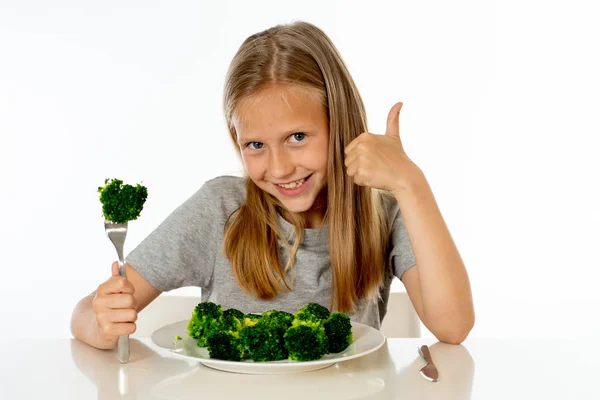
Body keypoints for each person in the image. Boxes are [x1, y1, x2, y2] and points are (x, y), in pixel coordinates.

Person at [71, 21, 474, 350]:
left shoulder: (385, 210)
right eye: (256, 145)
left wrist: (410, 183)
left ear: (340, 125)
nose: (279, 168)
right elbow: (85, 313)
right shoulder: (220, 208)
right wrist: (101, 322)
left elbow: (453, 327)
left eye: (297, 137)